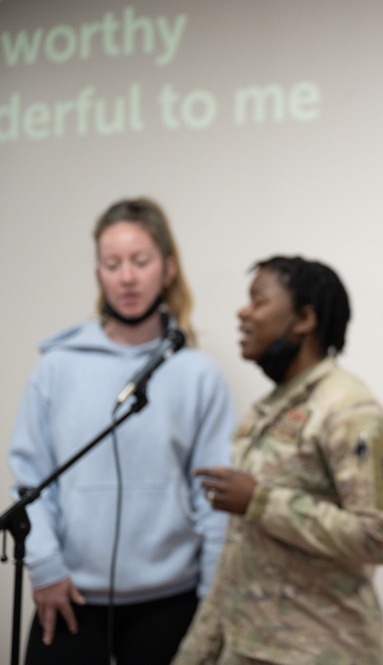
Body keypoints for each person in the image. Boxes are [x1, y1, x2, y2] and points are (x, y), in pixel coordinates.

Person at [7, 197, 237, 664]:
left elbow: (215, 501)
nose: (127, 277)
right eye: (112, 264)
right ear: (98, 273)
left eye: (140, 261)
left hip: (170, 603)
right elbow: (31, 480)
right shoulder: (57, 366)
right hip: (70, 597)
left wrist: (212, 599)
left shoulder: (197, 374)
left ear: (168, 269)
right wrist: (45, 567)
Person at [172, 256, 383, 665]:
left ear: (304, 319)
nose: (242, 313)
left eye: (258, 301)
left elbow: (381, 537)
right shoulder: (266, 410)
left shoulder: (349, 410)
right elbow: (238, 555)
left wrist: (261, 502)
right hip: (246, 648)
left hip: (321, 651)